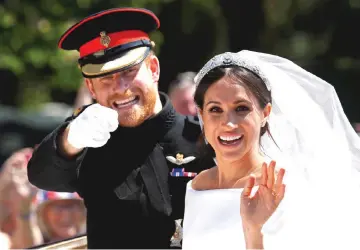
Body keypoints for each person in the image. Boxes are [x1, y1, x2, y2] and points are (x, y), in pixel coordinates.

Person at [27, 8, 212, 249]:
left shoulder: (202, 137)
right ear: (91, 88)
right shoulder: (88, 142)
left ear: (153, 69)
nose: (120, 87)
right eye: (105, 78)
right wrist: (70, 139)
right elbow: (41, 174)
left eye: (128, 71)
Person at [182, 50, 360, 249]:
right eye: (215, 109)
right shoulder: (198, 186)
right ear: (201, 114)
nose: (228, 124)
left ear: (265, 113)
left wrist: (253, 231)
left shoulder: (286, 189)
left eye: (241, 108)